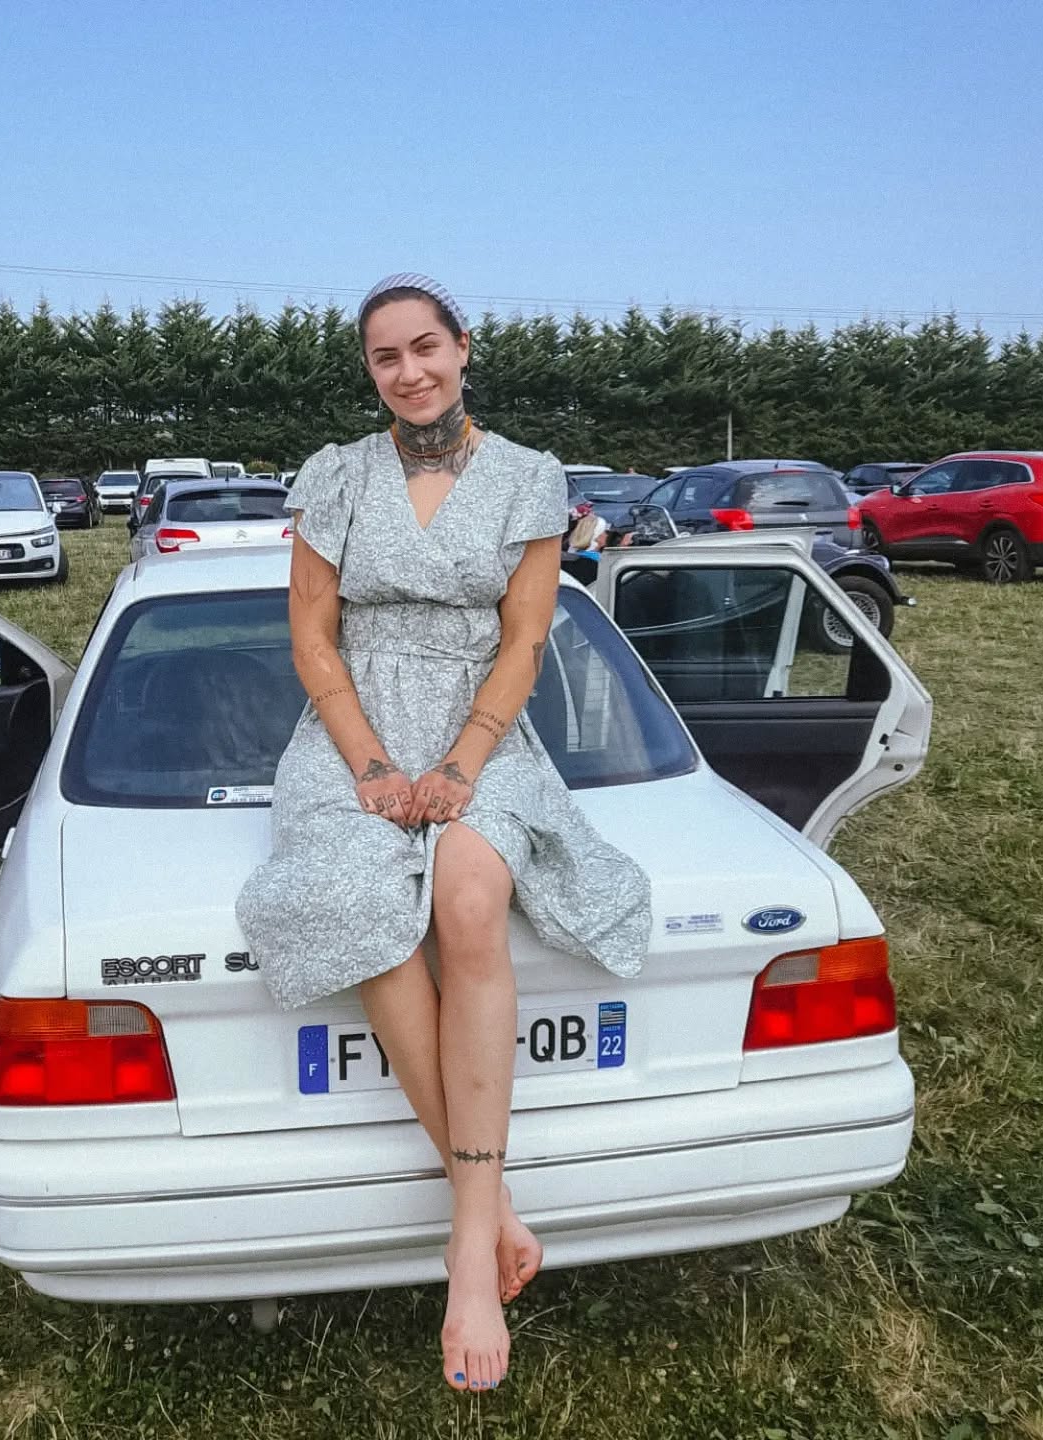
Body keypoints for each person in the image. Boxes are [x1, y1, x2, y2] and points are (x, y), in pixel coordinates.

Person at [236, 273, 650, 1394]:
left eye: (426, 347)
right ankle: (486, 1212)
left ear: (464, 349)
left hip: (485, 726)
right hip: (351, 731)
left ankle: (467, 1246)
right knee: (362, 902)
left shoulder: (529, 477)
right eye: (387, 356)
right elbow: (312, 640)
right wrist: (371, 765)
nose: (409, 371)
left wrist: (462, 764)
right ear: (370, 371)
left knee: (469, 897)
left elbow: (525, 643)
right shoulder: (335, 475)